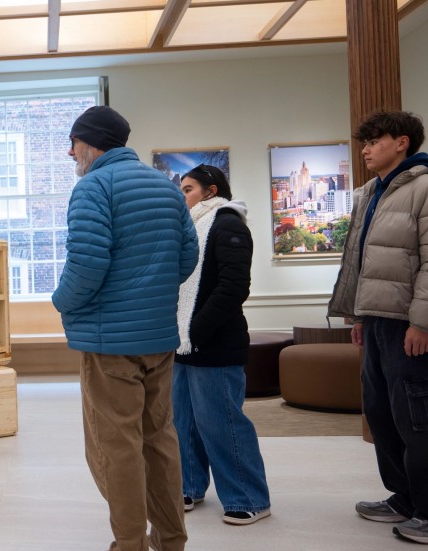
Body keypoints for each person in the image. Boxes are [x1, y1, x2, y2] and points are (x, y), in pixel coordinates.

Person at [51, 105, 198, 551]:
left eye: (72, 144)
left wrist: (61, 302)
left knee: (118, 446)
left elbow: (88, 265)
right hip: (158, 338)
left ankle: (129, 543)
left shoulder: (93, 186)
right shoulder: (166, 186)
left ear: (89, 143)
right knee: (160, 439)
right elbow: (187, 258)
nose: (70, 154)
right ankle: (171, 539)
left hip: (109, 343)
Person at [328, 111, 428, 545]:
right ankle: (407, 498)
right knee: (383, 413)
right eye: (364, 142)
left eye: (374, 141)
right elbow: (360, 263)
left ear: (402, 142)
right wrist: (358, 315)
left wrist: (424, 323)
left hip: (412, 322)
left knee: (421, 417)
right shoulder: (371, 193)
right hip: (377, 321)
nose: (366, 149)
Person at [172, 164, 271, 525]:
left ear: (211, 191)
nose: (182, 196)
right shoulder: (188, 229)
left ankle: (249, 497)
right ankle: (189, 486)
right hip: (182, 344)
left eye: (188, 189)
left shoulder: (228, 223)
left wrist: (195, 330)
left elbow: (233, 288)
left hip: (213, 343)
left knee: (222, 422)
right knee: (182, 421)